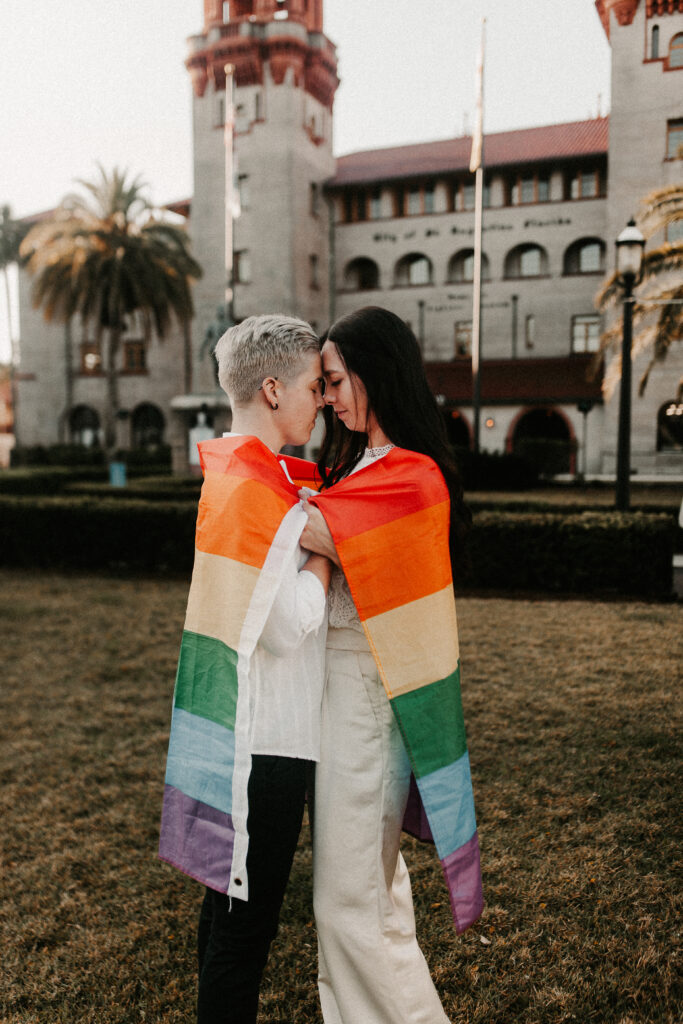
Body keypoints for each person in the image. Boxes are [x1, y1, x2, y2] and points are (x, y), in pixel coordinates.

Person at [300, 306, 483, 1024]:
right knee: (365, 890)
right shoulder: (360, 466)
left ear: (377, 373)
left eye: (335, 380)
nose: (327, 397)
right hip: (342, 698)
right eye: (321, 383)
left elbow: (310, 528)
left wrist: (246, 475)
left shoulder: (410, 476)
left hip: (372, 703)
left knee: (349, 899)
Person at [158, 314, 332, 1024]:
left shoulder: (243, 476)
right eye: (313, 387)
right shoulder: (257, 492)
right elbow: (288, 626)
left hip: (242, 727)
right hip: (266, 743)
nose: (321, 400)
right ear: (271, 389)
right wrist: (327, 554)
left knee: (225, 909)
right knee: (244, 929)